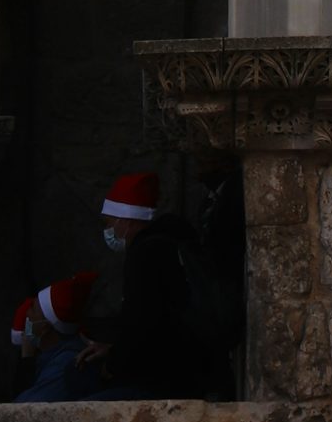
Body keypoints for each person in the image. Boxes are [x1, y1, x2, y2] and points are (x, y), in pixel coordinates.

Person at [73, 170, 236, 401]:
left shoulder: (145, 254)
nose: (108, 229)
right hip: (197, 369)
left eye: (109, 222)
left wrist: (113, 365)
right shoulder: (169, 244)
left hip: (170, 379)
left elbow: (142, 322)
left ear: (125, 220)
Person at [16, 275, 96, 403]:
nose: (28, 314)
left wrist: (27, 359)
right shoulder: (51, 356)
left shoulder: (65, 363)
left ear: (44, 327)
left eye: (33, 311)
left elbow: (25, 406)